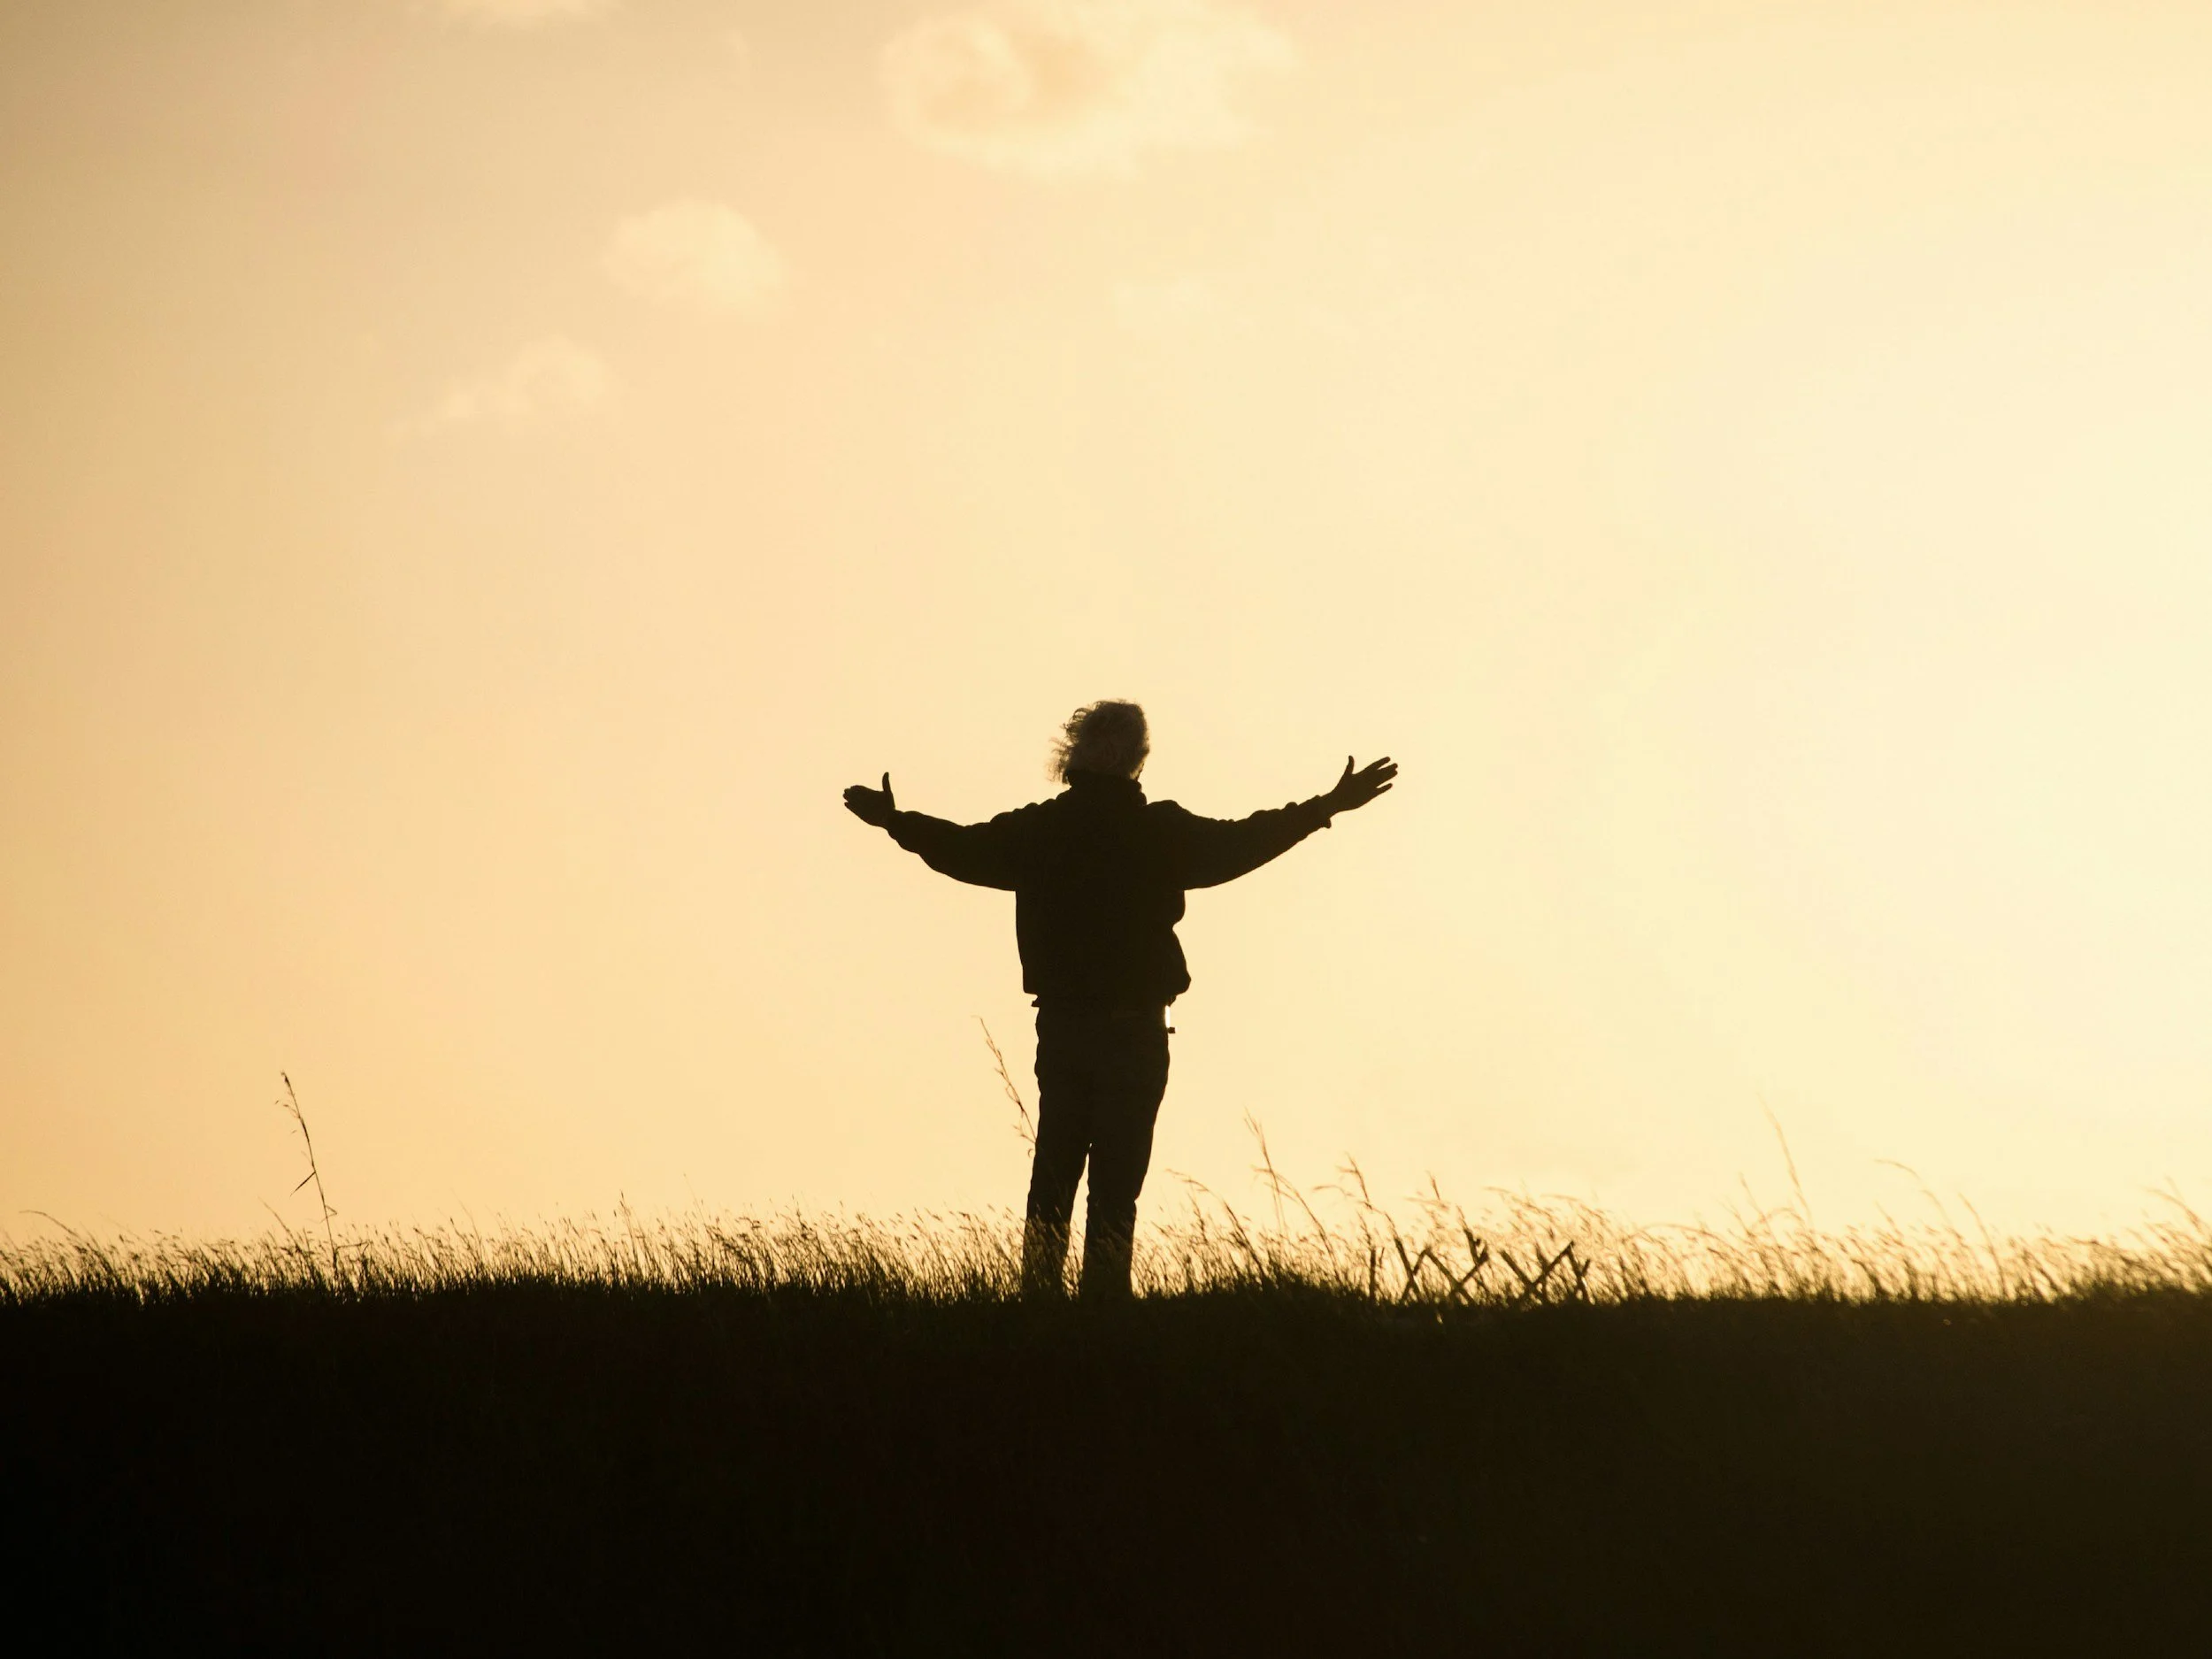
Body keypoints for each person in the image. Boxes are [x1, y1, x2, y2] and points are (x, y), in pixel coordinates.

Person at [843, 701, 1396, 1299]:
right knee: (1114, 1184)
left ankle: (1041, 1304)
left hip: (1067, 1029)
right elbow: (1245, 840)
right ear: (1134, 759)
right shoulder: (1157, 832)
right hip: (1131, 1032)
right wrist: (1324, 808)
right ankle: (1101, 1309)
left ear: (1079, 754)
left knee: (1054, 1174)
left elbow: (962, 848)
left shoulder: (1044, 831)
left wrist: (896, 822)